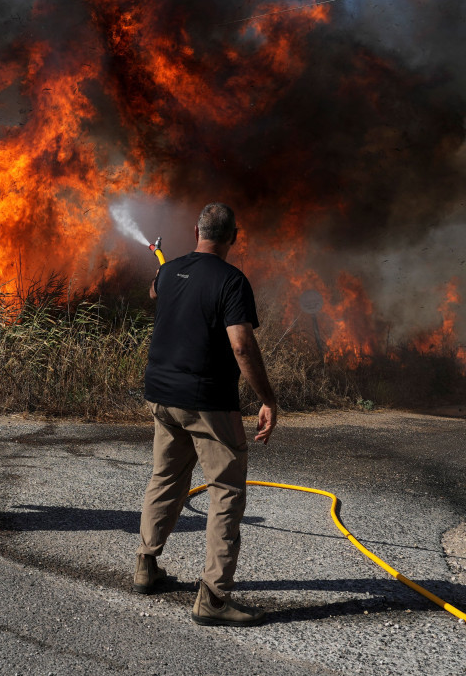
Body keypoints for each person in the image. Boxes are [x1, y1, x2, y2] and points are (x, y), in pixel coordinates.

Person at [134, 202, 278, 626]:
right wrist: (267, 398)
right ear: (235, 236)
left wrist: (168, 267)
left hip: (161, 396)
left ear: (196, 230)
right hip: (207, 403)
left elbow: (156, 293)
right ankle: (213, 599)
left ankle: (146, 565)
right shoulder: (232, 281)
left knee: (165, 478)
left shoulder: (169, 269)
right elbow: (241, 345)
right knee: (226, 493)